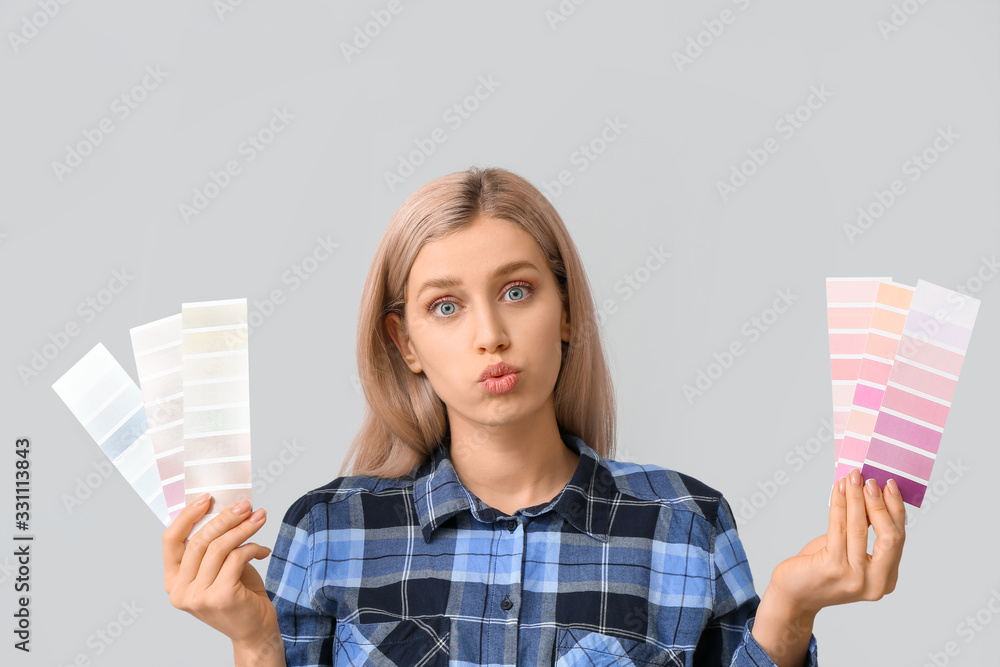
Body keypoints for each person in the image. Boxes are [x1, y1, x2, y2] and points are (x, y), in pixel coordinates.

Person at [163, 166, 906, 667]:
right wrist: (256, 643)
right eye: (446, 306)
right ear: (407, 343)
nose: (490, 332)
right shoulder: (329, 532)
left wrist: (791, 606)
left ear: (567, 311)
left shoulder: (685, 521)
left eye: (516, 291)